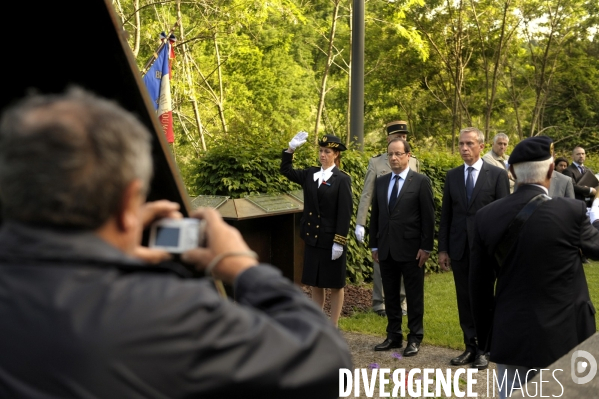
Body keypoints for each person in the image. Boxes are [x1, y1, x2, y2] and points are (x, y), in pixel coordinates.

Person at [0, 88, 352, 398]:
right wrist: (241, 264)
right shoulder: (167, 311)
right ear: (130, 205)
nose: (322, 154)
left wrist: (107, 253)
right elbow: (325, 361)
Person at [470, 136, 598, 398]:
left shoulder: (485, 217)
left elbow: (478, 289)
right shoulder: (571, 211)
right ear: (552, 170)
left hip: (511, 335)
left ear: (511, 171)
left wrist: (487, 340)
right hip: (565, 338)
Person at [438, 127, 510, 369]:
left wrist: (500, 251)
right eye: (460, 144)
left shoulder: (497, 175)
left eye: (469, 143)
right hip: (459, 248)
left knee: (484, 299)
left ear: (481, 146)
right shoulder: (452, 176)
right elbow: (446, 215)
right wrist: (443, 249)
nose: (464, 148)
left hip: (486, 250)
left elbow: (503, 216)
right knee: (464, 299)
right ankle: (470, 346)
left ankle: (485, 348)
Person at [369, 138, 435, 356]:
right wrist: (374, 246)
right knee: (390, 295)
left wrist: (426, 247)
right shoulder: (381, 182)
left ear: (408, 155)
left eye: (398, 153)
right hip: (386, 249)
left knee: (414, 296)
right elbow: (376, 216)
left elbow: (428, 217)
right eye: (390, 154)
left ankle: (415, 337)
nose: (394, 158)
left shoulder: (420, 181)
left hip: (412, 250)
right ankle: (393, 335)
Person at [280, 132, 353, 328]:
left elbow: (345, 213)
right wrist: (290, 149)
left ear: (336, 154)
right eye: (321, 151)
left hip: (331, 240)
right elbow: (286, 170)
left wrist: (339, 241)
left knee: (336, 284)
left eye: (327, 151)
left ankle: (334, 324)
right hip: (313, 238)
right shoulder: (311, 174)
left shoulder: (342, 179)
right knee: (315, 283)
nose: (322, 155)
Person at [355, 120, 419, 318]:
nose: (401, 139)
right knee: (381, 263)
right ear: (388, 138)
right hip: (384, 221)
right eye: (397, 136)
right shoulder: (376, 162)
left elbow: (417, 193)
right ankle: (379, 302)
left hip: (407, 222)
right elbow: (367, 194)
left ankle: (403, 302)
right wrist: (361, 222)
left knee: (406, 261)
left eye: (404, 136)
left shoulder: (414, 161)